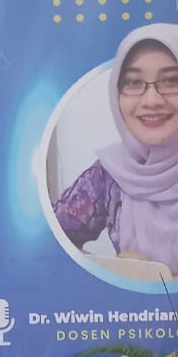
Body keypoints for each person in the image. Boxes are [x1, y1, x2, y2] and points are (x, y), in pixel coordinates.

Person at [54, 25, 178, 276]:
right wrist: (112, 270)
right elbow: (46, 245)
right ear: (116, 94)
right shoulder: (107, 176)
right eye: (133, 82)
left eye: (172, 81)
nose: (152, 100)